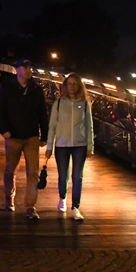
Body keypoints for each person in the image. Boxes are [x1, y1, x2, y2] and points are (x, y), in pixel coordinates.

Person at [0, 59, 49, 219]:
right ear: (17, 69)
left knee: (33, 173)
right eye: (25, 67)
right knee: (10, 170)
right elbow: (0, 111)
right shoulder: (7, 88)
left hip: (31, 136)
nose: (29, 70)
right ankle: (9, 199)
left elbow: (42, 114)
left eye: (30, 67)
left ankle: (30, 206)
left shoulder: (36, 90)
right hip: (13, 137)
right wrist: (4, 130)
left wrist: (44, 136)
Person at [45, 73, 94, 221]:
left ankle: (76, 207)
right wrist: (49, 146)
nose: (71, 86)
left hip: (80, 144)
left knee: (77, 176)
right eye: (69, 83)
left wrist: (90, 146)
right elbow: (52, 125)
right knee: (63, 175)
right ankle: (62, 197)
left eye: (75, 83)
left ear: (79, 85)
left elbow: (89, 125)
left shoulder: (84, 104)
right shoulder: (59, 104)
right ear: (65, 86)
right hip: (62, 144)